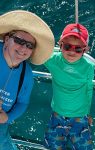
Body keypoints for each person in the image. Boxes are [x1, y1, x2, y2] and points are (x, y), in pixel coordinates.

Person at [0, 10, 54, 150]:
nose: (23, 48)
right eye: (19, 41)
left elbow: (23, 103)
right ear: (7, 39)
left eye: (29, 45)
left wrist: (7, 118)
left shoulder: (26, 74)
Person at [44, 23, 94, 150]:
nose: (72, 51)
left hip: (80, 117)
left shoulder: (88, 67)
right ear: (60, 44)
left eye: (78, 49)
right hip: (57, 115)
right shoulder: (52, 60)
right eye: (67, 46)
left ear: (85, 49)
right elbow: (35, 52)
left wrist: (88, 113)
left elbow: (89, 90)